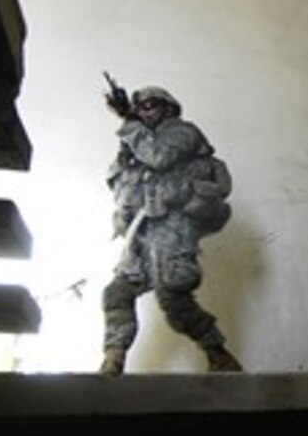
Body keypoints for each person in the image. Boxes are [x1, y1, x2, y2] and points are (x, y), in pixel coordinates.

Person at [100, 84, 241, 375]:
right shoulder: (136, 142)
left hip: (173, 226)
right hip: (142, 229)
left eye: (150, 105)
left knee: (173, 297)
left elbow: (160, 158)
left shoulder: (183, 133)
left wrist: (129, 122)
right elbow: (120, 181)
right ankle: (113, 360)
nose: (143, 112)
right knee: (116, 293)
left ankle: (219, 354)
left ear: (168, 108)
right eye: (138, 107)